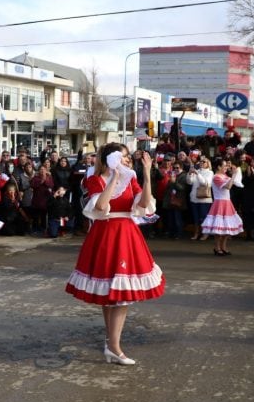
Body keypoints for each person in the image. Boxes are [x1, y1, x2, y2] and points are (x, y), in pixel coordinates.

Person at [65, 143, 164, 365]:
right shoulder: (95, 179)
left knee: (121, 295)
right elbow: (100, 206)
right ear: (111, 159)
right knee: (110, 292)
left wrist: (146, 174)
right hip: (105, 234)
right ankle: (113, 345)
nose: (127, 160)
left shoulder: (131, 179)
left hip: (127, 234)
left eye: (128, 157)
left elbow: (146, 204)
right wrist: (113, 179)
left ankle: (112, 344)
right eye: (123, 156)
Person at [201, 157, 243, 255]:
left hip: (227, 203)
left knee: (226, 227)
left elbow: (236, 183)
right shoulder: (216, 177)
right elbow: (228, 186)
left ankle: (223, 246)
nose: (226, 167)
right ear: (219, 167)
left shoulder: (225, 176)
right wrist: (234, 175)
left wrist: (235, 173)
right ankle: (217, 247)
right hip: (219, 203)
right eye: (224, 166)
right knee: (219, 227)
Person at [186, 156, 214, 240]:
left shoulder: (210, 172)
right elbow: (189, 182)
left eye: (204, 162)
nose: (201, 163)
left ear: (208, 164)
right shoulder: (197, 171)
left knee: (204, 217)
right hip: (194, 198)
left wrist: (197, 174)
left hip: (204, 199)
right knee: (196, 218)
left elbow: (206, 183)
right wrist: (190, 174)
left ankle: (205, 233)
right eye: (201, 161)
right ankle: (196, 233)